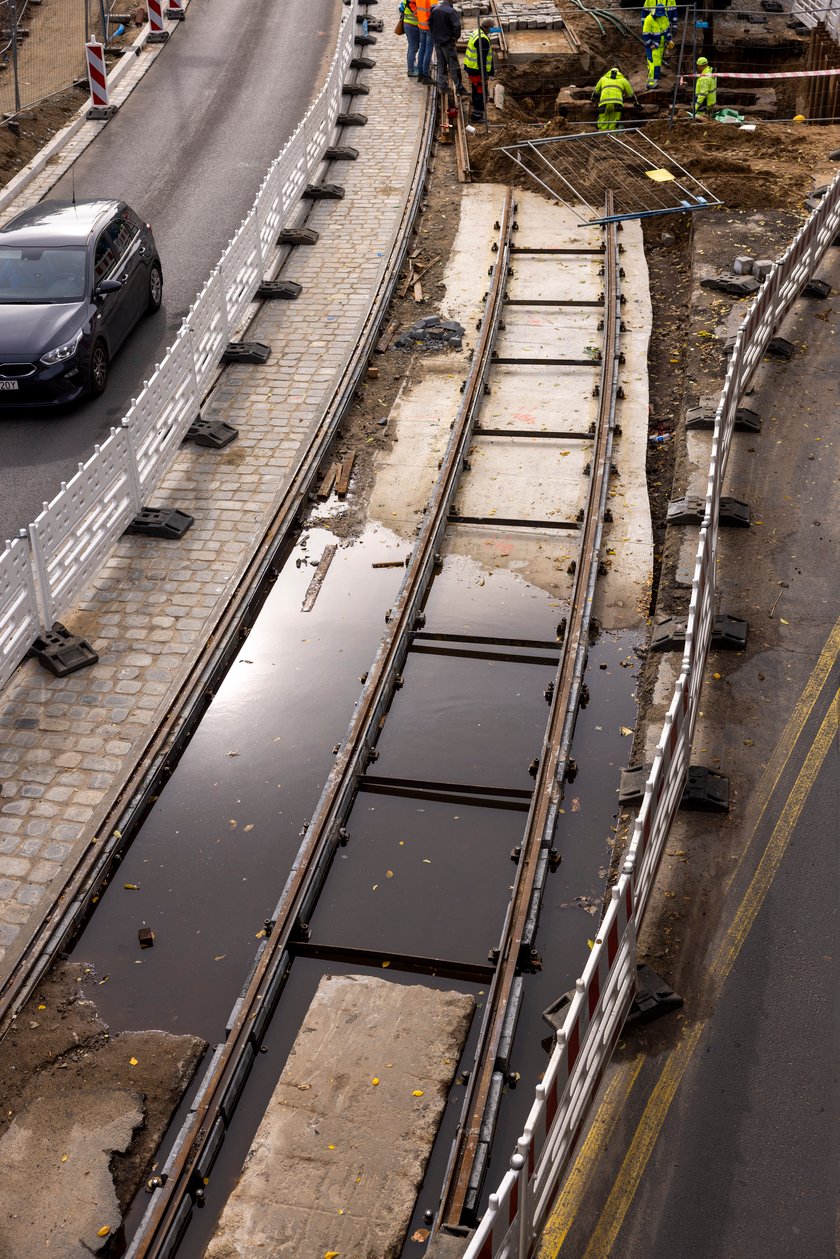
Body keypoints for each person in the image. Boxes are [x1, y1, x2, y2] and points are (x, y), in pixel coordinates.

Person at [429, 0, 467, 97]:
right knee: (453, 65)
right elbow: (457, 26)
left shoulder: (435, 10)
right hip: (448, 43)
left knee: (441, 65)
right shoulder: (451, 11)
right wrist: (455, 37)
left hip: (437, 42)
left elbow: (429, 23)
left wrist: (435, 35)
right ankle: (459, 88)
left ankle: (442, 86)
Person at [464, 19, 494, 122]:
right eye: (492, 28)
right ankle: (477, 115)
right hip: (476, 70)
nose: (492, 30)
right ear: (487, 28)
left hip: (471, 67)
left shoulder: (477, 32)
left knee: (477, 89)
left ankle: (476, 109)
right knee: (480, 91)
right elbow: (482, 60)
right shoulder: (483, 40)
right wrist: (484, 75)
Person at [591, 66, 635, 131]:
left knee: (602, 121)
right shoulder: (623, 80)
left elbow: (596, 92)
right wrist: (636, 103)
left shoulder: (603, 79)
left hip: (604, 103)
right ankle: (612, 136)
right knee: (614, 122)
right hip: (617, 103)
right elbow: (631, 94)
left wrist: (593, 99)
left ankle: (602, 135)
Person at [642, 4, 671, 89]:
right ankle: (651, 83)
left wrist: (669, 39)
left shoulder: (664, 16)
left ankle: (656, 80)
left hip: (661, 44)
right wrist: (650, 44)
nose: (659, 17)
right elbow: (645, 34)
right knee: (653, 64)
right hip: (653, 45)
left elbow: (667, 29)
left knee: (657, 63)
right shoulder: (649, 19)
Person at [415, 0, 438, 84]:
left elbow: (410, 2)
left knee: (422, 49)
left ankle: (420, 74)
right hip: (429, 27)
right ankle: (426, 75)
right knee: (428, 51)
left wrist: (416, 13)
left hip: (421, 25)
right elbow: (434, 9)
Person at [399, 0, 421, 78]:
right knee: (413, 48)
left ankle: (412, 66)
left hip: (408, 25)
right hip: (412, 26)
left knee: (411, 47)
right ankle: (411, 70)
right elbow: (417, 14)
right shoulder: (412, 2)